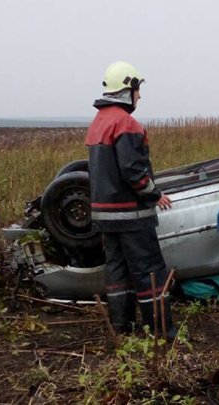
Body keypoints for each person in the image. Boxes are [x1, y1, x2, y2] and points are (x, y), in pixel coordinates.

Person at [84, 61, 175, 338]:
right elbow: (133, 171)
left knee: (117, 274)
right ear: (127, 89)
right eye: (137, 90)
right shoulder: (126, 124)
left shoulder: (98, 123)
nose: (139, 96)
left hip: (105, 218)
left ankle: (121, 328)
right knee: (150, 272)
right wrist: (155, 193)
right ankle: (160, 332)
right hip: (132, 216)